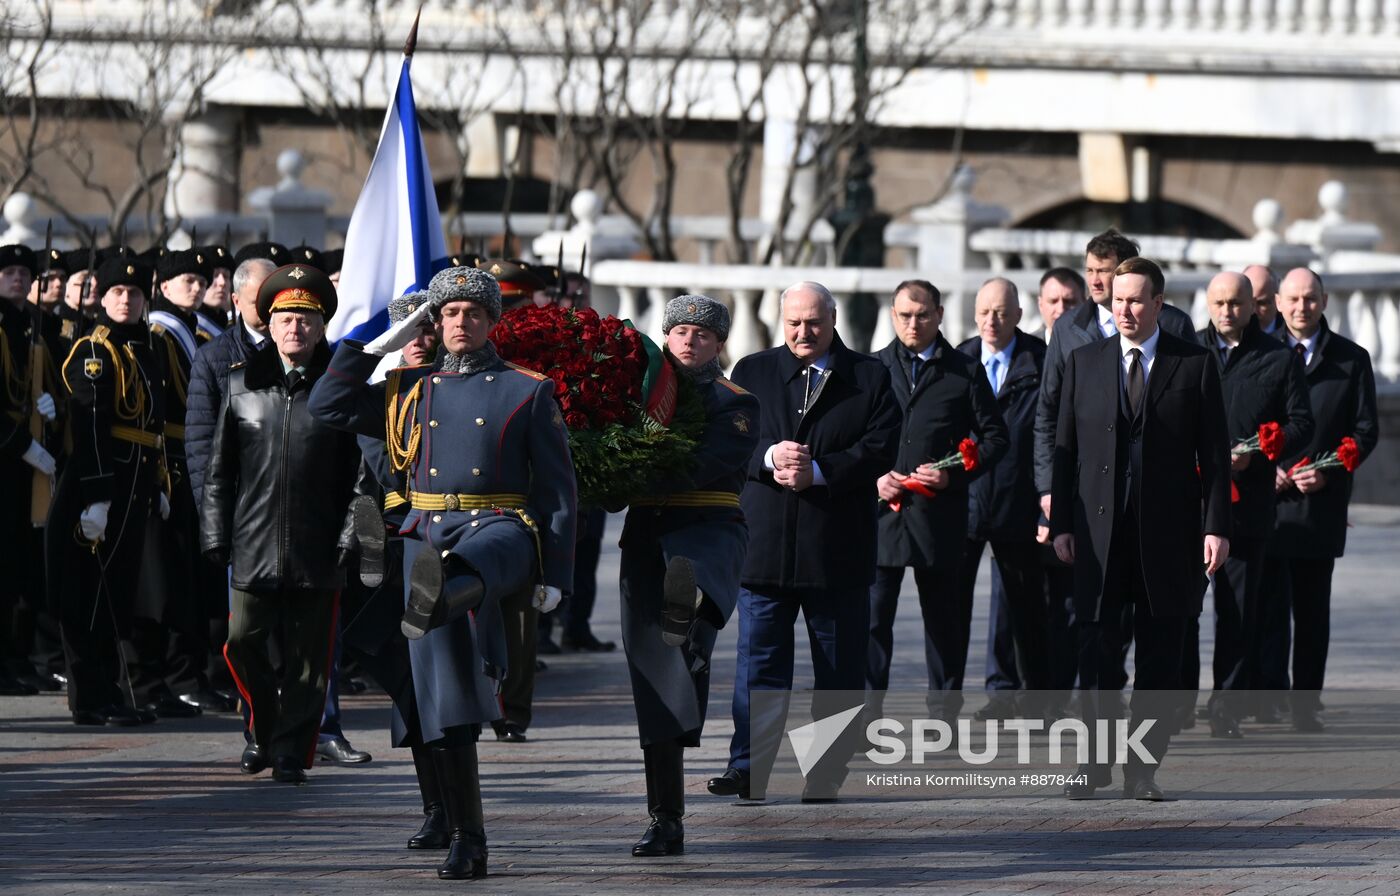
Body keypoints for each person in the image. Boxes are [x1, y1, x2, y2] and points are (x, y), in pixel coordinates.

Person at [310, 265, 576, 880]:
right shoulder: (409, 387)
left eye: (472, 314)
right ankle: (460, 830)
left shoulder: (525, 390)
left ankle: (468, 835)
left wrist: (557, 573)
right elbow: (328, 404)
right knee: (439, 695)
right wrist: (373, 340)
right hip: (422, 537)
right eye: (448, 314)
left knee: (470, 580)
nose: (460, 323)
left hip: (496, 528)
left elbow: (559, 492)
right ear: (434, 322)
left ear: (491, 323)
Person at [708, 281, 899, 803]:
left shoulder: (869, 376)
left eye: (813, 322)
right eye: (793, 322)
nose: (803, 332)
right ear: (780, 319)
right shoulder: (752, 370)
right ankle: (748, 767)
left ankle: (825, 773)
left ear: (832, 319)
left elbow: (881, 446)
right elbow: (727, 441)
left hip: (836, 550)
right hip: (765, 548)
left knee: (837, 672)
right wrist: (769, 459)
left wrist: (819, 471)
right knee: (758, 666)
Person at [1051, 256, 1231, 801]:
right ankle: (1093, 763)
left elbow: (1216, 457)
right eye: (1117, 299)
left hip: (1169, 535)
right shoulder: (1085, 361)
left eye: (1135, 300)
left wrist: (1215, 527)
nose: (1124, 309)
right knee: (1096, 651)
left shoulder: (1193, 364)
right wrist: (1060, 522)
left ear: (1158, 303)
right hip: (1098, 534)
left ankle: (1142, 769)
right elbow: (1064, 452)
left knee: (1160, 656)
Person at [201, 263, 360, 784]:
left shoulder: (339, 388)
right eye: (286, 317)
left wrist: (348, 537)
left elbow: (362, 476)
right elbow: (220, 469)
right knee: (243, 641)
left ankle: (291, 751)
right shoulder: (240, 383)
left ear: (321, 327)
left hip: (319, 544)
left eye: (306, 319)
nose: (295, 328)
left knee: (310, 661)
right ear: (268, 323)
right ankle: (265, 728)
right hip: (253, 540)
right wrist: (214, 534)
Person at [619, 294, 758, 856]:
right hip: (648, 538)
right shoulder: (635, 399)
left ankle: (693, 621)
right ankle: (665, 818)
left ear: (719, 344)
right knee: (656, 680)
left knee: (689, 624)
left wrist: (635, 462)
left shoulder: (736, 402)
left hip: (706, 528)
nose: (689, 342)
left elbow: (703, 464)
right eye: (678, 332)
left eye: (702, 334)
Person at [1035, 230, 1197, 697]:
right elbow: (1052, 417)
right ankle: (1096, 759)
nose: (1096, 283)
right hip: (1093, 508)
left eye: (1105, 272)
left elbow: (1200, 431)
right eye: (1090, 271)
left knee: (1158, 638)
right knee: (1096, 638)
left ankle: (1144, 763)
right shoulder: (1071, 331)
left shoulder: (1178, 330)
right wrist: (1052, 493)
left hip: (1159, 512)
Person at [866, 279, 1008, 728]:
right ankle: (868, 721)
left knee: (945, 626)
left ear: (940, 315)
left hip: (940, 518)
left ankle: (943, 718)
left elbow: (995, 438)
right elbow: (851, 439)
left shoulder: (963, 370)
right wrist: (873, 478)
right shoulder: (870, 369)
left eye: (923, 314)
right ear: (892, 315)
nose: (913, 323)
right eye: (905, 314)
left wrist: (954, 474)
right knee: (871, 625)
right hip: (881, 518)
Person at [1186, 272, 1312, 738]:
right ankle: (1176, 703)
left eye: (1236, 303)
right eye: (1218, 303)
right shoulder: (1188, 352)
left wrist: (1260, 450)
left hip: (1248, 504)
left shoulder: (1278, 358)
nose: (1226, 312)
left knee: (1238, 611)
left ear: (1254, 306)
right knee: (1179, 608)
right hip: (1189, 505)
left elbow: (1302, 423)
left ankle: (1226, 708)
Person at [48, 256, 166, 725]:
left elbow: (152, 423)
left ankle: (109, 691)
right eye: (117, 292)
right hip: (100, 484)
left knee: (116, 591)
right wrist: (97, 495)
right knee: (88, 593)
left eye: (134, 294)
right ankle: (90, 697)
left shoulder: (145, 348)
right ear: (101, 296)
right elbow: (91, 424)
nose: (126, 300)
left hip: (134, 484)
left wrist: (158, 482)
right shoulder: (94, 352)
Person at [1266, 268, 1379, 732]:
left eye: (1309, 298)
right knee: (1267, 610)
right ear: (1276, 302)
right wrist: (1261, 469)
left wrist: (1327, 472)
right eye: (1292, 299)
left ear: (1325, 300)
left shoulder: (1351, 359)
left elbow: (1366, 430)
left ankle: (1305, 703)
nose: (1300, 307)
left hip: (1319, 504)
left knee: (1313, 611)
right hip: (1266, 505)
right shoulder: (1262, 355)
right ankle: (1264, 698)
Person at [183, 256, 276, 712]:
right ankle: (255, 711)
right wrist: (212, 517)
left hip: (288, 505)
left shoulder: (298, 347)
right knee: (244, 623)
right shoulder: (215, 356)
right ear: (237, 301)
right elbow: (200, 443)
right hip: (241, 509)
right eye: (260, 294)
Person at [956, 278, 1050, 722]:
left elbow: (1051, 437)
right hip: (966, 501)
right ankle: (996, 691)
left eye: (1001, 312)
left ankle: (1036, 696)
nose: (992, 320)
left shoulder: (1041, 361)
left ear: (1018, 315)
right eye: (985, 311)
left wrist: (1046, 503)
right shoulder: (959, 359)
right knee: (953, 608)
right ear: (975, 314)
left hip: (1020, 501)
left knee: (1023, 605)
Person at [128, 247, 213, 719]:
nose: (196, 288)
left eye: (199, 281)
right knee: (167, 576)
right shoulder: (162, 333)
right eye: (186, 281)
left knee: (188, 578)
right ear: (163, 287)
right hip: (171, 459)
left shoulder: (189, 330)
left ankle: (185, 674)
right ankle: (168, 675)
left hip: (190, 456)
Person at [0, 244, 60, 696]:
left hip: (28, 462)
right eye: (9, 272)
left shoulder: (33, 327)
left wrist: (51, 407)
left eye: (24, 272)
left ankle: (17, 658)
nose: (17, 279)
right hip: (7, 457)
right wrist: (22, 443)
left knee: (22, 563)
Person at [1243, 265, 1283, 338]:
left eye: (1262, 303)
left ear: (1277, 300)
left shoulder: (1291, 337)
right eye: (1249, 303)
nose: (1254, 311)